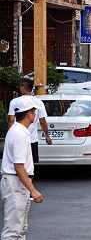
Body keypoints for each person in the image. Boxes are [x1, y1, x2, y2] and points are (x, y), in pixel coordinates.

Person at [1, 97, 44, 239]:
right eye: (34, 111)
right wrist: (33, 190)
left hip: (17, 183)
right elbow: (19, 166)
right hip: (15, 183)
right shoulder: (20, 134)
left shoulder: (17, 130)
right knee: (13, 231)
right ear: (29, 114)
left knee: (20, 229)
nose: (35, 114)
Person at [7, 78, 52, 164]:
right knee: (30, 165)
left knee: (17, 163)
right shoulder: (38, 102)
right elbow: (42, 121)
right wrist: (47, 136)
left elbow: (11, 120)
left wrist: (9, 136)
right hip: (32, 140)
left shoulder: (14, 102)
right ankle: (29, 178)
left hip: (17, 138)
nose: (20, 88)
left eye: (20, 86)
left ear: (23, 87)